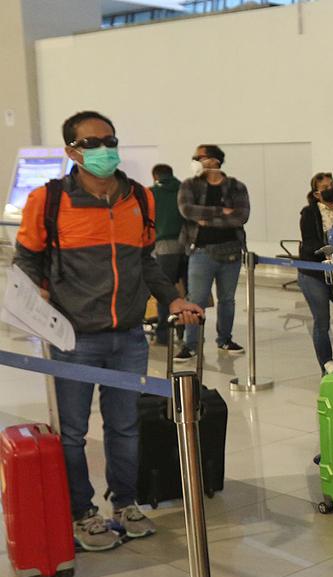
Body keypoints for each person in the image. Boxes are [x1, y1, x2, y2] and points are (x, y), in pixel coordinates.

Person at [14, 110, 203, 551]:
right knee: (74, 432)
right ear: (72, 152)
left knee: (124, 427)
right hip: (73, 338)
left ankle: (125, 503)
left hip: (128, 336)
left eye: (109, 140)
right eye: (92, 143)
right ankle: (83, 512)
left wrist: (173, 298)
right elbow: (25, 260)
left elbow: (145, 262)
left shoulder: (138, 197)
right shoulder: (50, 201)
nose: (104, 149)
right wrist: (35, 298)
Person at [175, 144, 251, 362]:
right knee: (196, 300)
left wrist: (206, 218)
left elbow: (241, 216)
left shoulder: (236, 187)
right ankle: (191, 344)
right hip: (200, 253)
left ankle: (225, 339)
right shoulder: (190, 185)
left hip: (232, 253)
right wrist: (220, 212)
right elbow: (187, 210)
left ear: (214, 160)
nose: (195, 160)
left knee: (227, 300)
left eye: (199, 157)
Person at [298, 172, 333, 372]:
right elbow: (309, 242)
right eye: (326, 186)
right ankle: (326, 366)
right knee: (322, 321)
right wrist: (331, 248)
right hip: (315, 272)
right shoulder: (309, 213)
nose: (331, 188)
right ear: (317, 193)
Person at [150, 163, 186, 346]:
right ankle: (186, 334)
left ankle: (163, 335)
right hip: (187, 245)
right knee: (187, 293)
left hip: (164, 247)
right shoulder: (184, 190)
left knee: (165, 291)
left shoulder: (151, 193)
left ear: (155, 176)